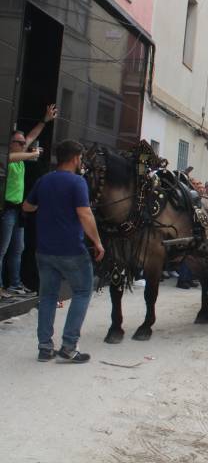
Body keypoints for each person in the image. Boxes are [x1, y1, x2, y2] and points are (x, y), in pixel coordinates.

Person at [23, 139, 105, 363]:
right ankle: (69, 346)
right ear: (76, 158)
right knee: (82, 291)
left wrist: (46, 205)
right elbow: (85, 215)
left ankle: (44, 348)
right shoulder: (77, 182)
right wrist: (97, 242)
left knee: (48, 296)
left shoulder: (44, 180)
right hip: (71, 250)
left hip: (44, 250)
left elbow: (27, 206)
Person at [1, 103, 57, 297]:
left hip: (18, 210)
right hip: (7, 209)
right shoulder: (6, 156)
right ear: (12, 143)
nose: (25, 143)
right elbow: (10, 157)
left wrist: (45, 120)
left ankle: (14, 285)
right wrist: (32, 153)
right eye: (20, 142)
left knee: (18, 248)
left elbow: (33, 135)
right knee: (3, 249)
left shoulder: (20, 155)